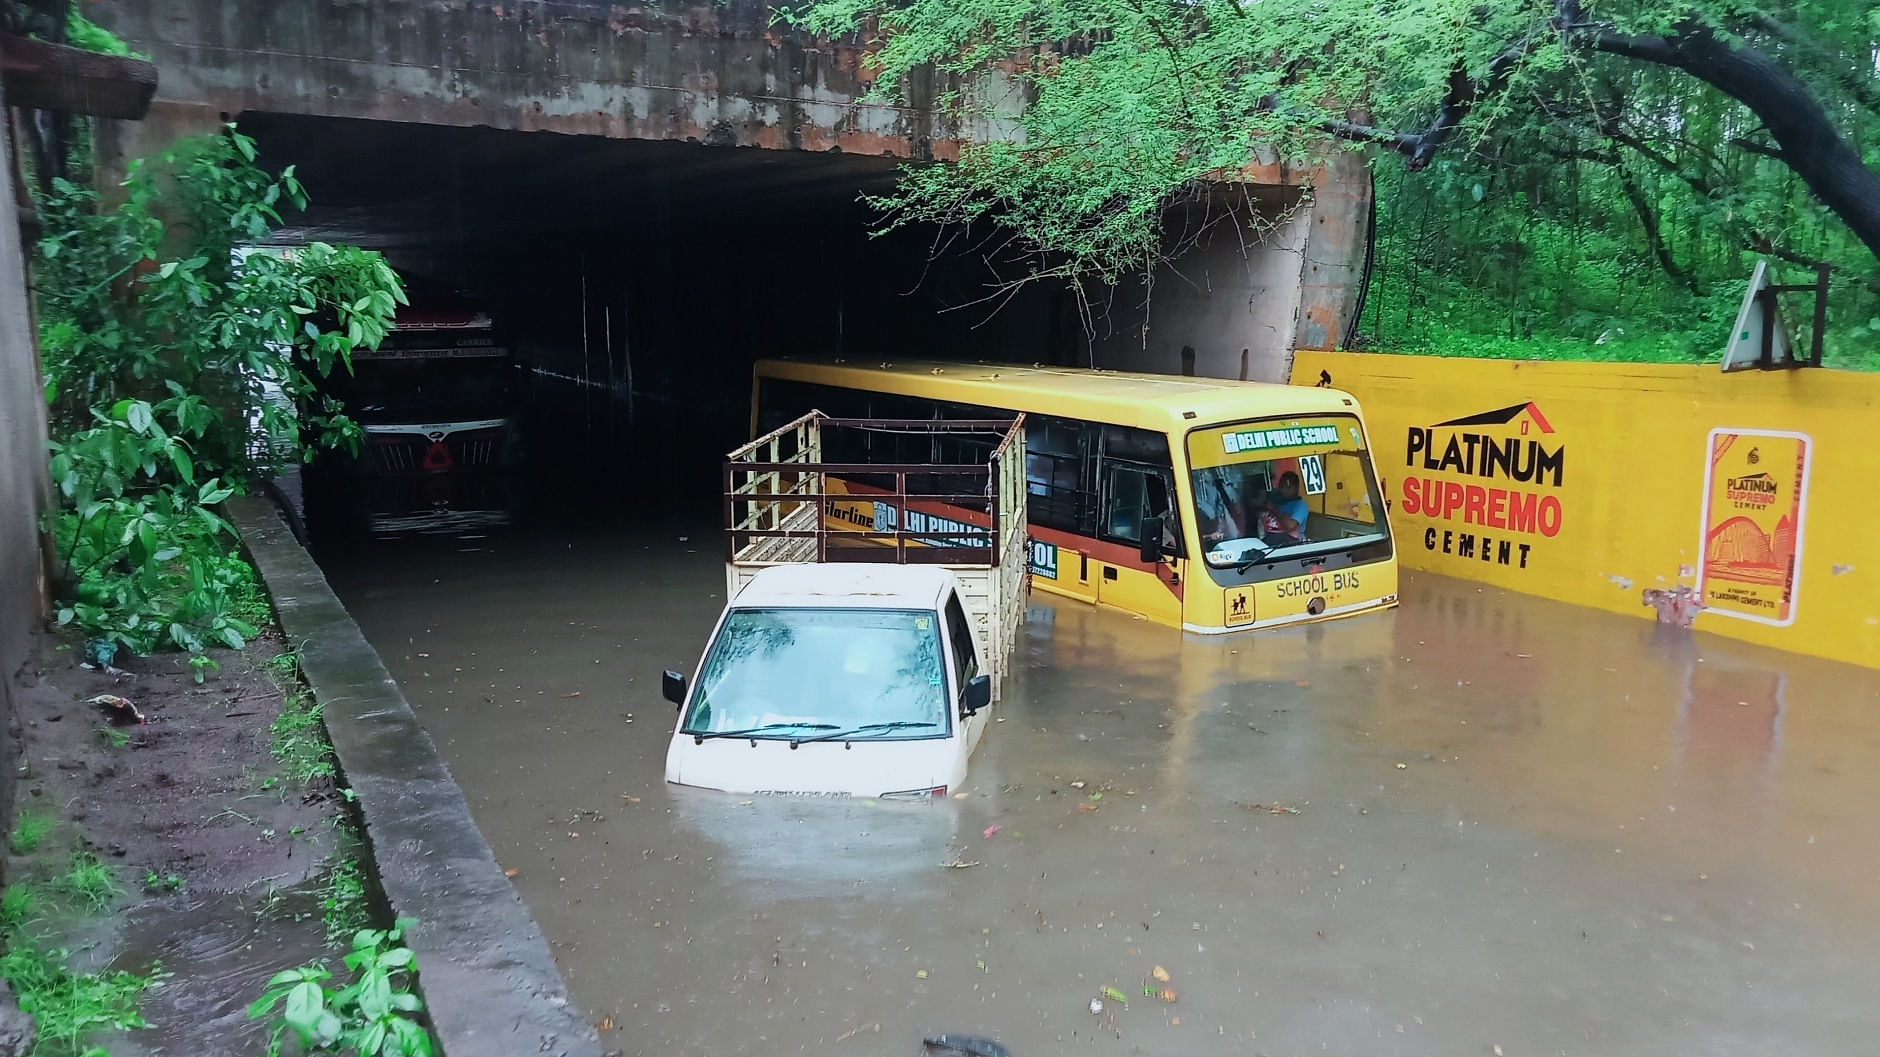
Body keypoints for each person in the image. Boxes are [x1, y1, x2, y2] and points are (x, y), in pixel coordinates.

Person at [1257, 471, 1309, 546]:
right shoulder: (1278, 501)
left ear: (1296, 488)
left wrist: (1274, 510)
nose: (1284, 490)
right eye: (1282, 487)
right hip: (1273, 541)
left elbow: (1290, 526)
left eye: (1288, 487)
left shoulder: (1300, 505)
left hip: (1293, 543)